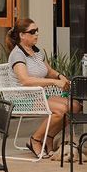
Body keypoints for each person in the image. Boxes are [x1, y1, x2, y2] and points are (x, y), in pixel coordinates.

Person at [5, 18, 70, 158]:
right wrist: (54, 82)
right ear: (22, 35)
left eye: (37, 31)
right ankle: (35, 139)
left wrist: (60, 77)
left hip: (39, 95)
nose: (36, 34)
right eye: (32, 32)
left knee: (74, 106)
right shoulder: (17, 54)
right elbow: (25, 80)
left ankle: (49, 137)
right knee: (61, 110)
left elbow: (49, 71)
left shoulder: (36, 51)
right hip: (22, 99)